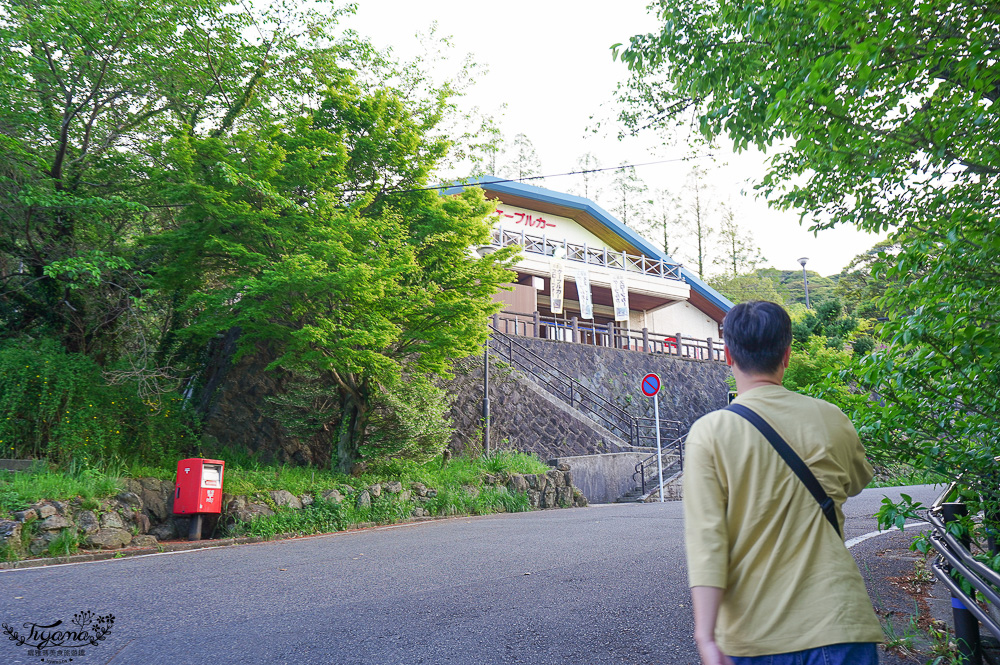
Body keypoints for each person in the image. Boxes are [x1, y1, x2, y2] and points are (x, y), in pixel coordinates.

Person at [683, 301, 883, 665]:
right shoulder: (831, 417)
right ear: (787, 355)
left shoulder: (709, 433)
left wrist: (705, 636)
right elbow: (855, 483)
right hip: (840, 624)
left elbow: (707, 541)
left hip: (752, 637)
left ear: (728, 354)